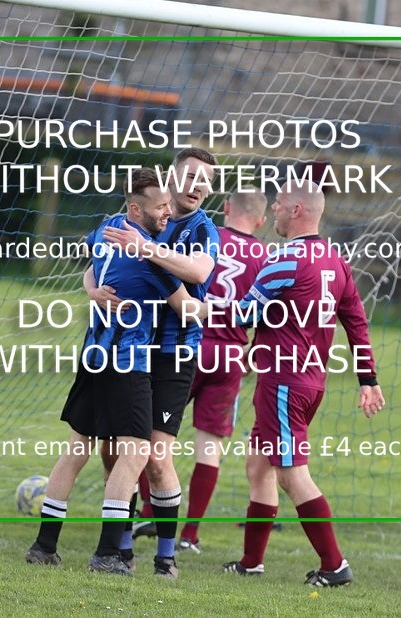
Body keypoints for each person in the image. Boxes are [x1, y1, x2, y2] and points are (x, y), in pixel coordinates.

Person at [25, 167, 205, 576]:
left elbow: (90, 267)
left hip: (93, 356)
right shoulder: (149, 258)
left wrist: (91, 290)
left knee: (76, 448)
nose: (168, 213)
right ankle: (108, 553)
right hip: (127, 363)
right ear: (136, 208)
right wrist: (238, 312)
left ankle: (44, 545)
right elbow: (187, 308)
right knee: (137, 452)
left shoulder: (108, 228)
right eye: (161, 207)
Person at [222, 178, 385, 587]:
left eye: (278, 203)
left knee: (292, 474)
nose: (273, 210)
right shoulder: (335, 260)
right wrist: (368, 378)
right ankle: (251, 562)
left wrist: (210, 297)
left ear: (297, 210)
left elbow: (244, 316)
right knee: (258, 464)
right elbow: (357, 322)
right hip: (309, 383)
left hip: (283, 383)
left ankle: (335, 566)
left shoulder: (285, 261)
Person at [88, 147, 220, 578]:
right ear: (173, 177)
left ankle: (166, 556)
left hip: (173, 354)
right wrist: (93, 291)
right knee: (113, 451)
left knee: (157, 457)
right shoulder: (142, 215)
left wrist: (147, 250)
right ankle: (121, 548)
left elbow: (199, 275)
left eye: (206, 179)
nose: (198, 184)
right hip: (128, 350)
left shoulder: (203, 230)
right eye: (191, 175)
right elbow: (94, 257)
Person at [177, 188, 268, 554]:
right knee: (209, 447)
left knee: (154, 431)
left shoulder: (204, 234)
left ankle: (150, 512)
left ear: (226, 207)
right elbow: (269, 316)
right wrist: (253, 355)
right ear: (262, 221)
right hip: (229, 355)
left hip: (187, 345)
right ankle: (189, 535)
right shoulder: (266, 257)